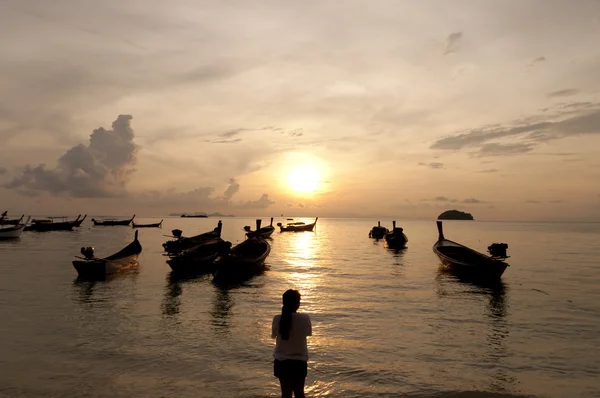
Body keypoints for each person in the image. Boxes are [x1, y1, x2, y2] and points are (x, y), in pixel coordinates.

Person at [272, 289, 312, 398]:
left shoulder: (277, 319)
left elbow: (274, 334)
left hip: (282, 361)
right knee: (299, 393)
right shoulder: (305, 318)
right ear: (297, 304)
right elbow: (308, 333)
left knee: (286, 394)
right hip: (299, 361)